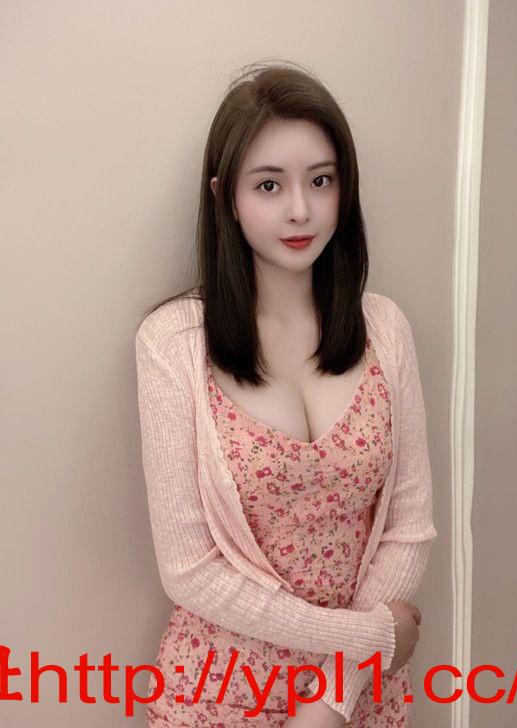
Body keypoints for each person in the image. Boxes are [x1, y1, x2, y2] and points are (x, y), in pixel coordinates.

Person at [135, 59, 437, 727]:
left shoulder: (385, 329)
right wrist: (369, 638)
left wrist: (333, 695)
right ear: (226, 197)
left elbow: (409, 527)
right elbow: (188, 569)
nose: (300, 209)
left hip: (358, 697)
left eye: (321, 180)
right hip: (217, 692)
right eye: (269, 184)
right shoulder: (173, 343)